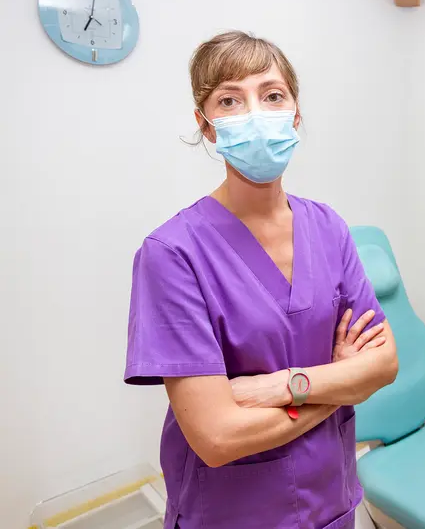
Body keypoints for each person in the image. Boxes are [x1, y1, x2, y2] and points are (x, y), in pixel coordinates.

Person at [124, 31, 399, 529]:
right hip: (233, 512)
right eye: (229, 100)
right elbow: (217, 437)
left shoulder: (328, 226)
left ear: (294, 114)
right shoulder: (171, 254)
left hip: (332, 498)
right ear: (206, 127)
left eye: (272, 95)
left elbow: (383, 364)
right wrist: (340, 386)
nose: (255, 114)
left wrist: (279, 386)